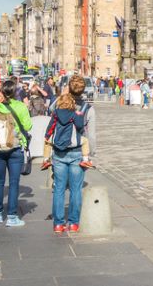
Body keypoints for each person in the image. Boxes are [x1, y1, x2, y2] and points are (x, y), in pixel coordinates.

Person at [0, 82, 33, 227]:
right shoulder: (20, 106)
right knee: (14, 183)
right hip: (15, 148)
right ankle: (12, 216)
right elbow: (28, 126)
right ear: (15, 92)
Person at [47, 88, 88, 233]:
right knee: (76, 189)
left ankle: (58, 224)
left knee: (59, 189)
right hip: (75, 153)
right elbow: (80, 127)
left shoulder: (56, 113)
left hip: (59, 153)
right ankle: (73, 223)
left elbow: (49, 130)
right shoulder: (75, 113)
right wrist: (78, 115)